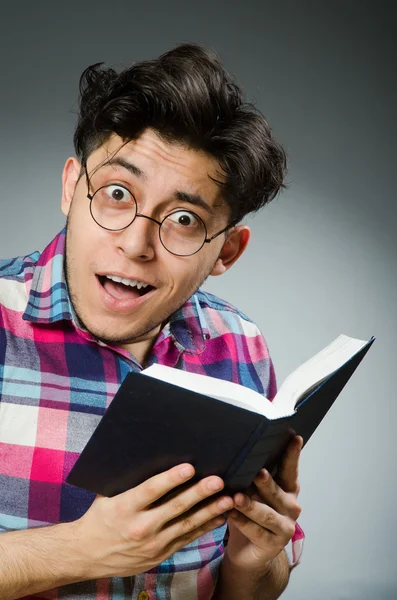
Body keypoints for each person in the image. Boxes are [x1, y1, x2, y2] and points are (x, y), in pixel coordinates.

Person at [0, 43, 304, 600]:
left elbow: (254, 589)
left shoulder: (242, 346)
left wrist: (254, 560)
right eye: (117, 194)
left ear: (226, 251)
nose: (136, 245)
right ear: (72, 188)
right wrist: (79, 550)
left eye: (184, 219)